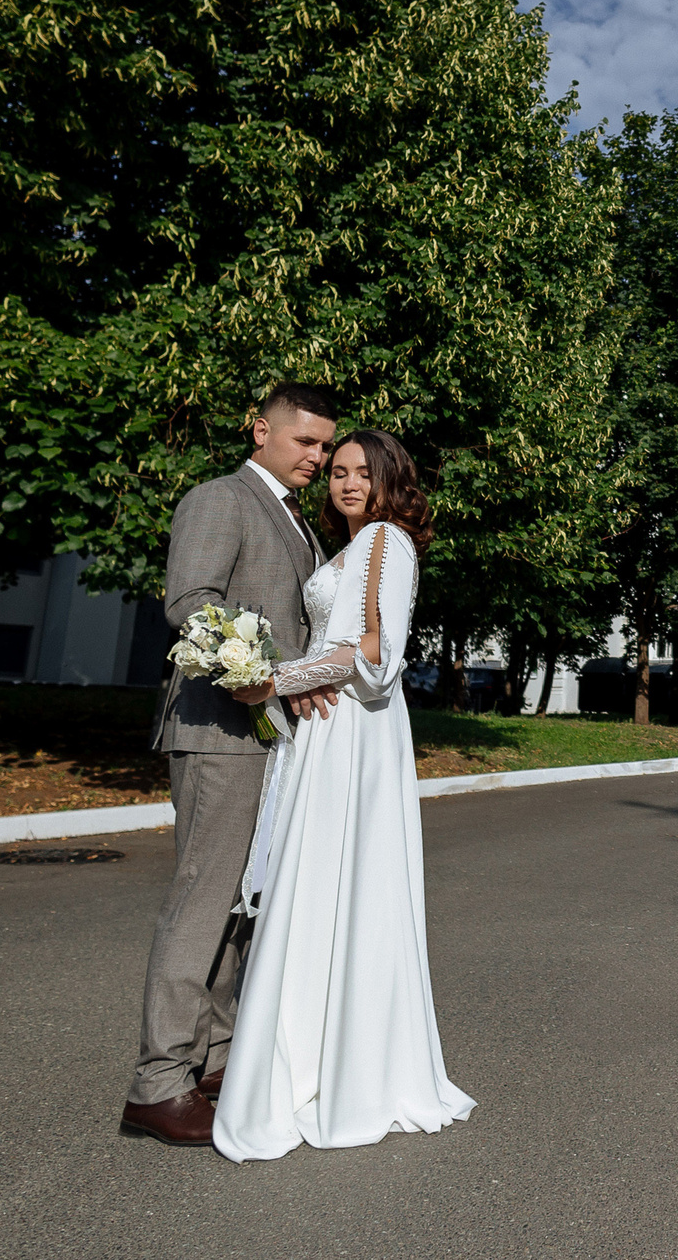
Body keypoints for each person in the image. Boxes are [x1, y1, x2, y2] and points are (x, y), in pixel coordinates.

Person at [212, 428, 474, 1161]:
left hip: (356, 734)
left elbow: (377, 651)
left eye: (364, 472)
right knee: (322, 887)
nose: (347, 483)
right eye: (339, 472)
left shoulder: (387, 540)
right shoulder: (353, 548)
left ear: (391, 481)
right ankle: (314, 1054)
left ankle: (341, 1068)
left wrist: (279, 681)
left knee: (340, 885)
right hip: (330, 733)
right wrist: (287, 685)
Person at [121, 381, 339, 1148]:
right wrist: (260, 673)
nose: (318, 455)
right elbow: (193, 603)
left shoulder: (295, 518)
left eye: (324, 443)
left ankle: (213, 1062)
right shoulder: (220, 498)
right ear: (261, 430)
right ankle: (156, 1084)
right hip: (218, 728)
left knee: (244, 909)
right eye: (304, 441)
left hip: (269, 737)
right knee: (204, 901)